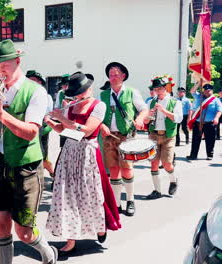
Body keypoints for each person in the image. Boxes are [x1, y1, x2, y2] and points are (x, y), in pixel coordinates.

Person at [0, 39, 57, 264]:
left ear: (17, 61)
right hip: (0, 162)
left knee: (23, 231)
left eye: (4, 64)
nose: (0, 69)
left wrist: (1, 113)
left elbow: (31, 132)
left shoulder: (36, 91)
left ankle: (48, 253)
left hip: (26, 166)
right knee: (0, 223)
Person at [45, 72, 121, 256]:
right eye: (76, 93)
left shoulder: (99, 106)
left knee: (90, 194)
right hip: (70, 152)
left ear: (89, 89)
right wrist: (49, 121)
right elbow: (62, 129)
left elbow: (87, 131)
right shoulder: (71, 105)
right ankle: (70, 239)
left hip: (87, 153)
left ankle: (100, 227)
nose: (78, 96)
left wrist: (62, 118)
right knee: (67, 194)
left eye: (81, 92)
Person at [99, 62, 148, 216]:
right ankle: (117, 203)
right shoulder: (103, 94)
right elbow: (97, 114)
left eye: (116, 74)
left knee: (126, 169)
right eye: (110, 74)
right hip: (109, 137)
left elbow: (144, 109)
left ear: (123, 76)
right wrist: (101, 125)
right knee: (113, 169)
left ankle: (130, 200)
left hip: (126, 136)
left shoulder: (132, 92)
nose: (113, 77)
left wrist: (140, 119)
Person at [144, 76, 182, 199]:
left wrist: (164, 111)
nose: (157, 91)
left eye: (159, 88)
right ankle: (157, 191)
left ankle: (173, 180)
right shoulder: (150, 102)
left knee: (167, 163)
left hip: (168, 136)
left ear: (165, 88)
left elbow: (178, 118)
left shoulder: (175, 102)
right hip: (153, 135)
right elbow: (145, 121)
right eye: (155, 89)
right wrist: (148, 115)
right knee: (154, 163)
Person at [26, 70, 55, 178]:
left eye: (34, 81)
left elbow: (48, 114)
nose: (31, 83)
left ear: (40, 83)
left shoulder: (46, 96)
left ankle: (53, 174)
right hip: (27, 128)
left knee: (42, 156)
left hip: (41, 129)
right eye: (28, 81)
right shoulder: (24, 95)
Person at [187, 83, 222, 160]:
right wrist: (198, 83)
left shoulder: (216, 100)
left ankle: (209, 154)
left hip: (209, 123)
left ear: (212, 91)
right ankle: (193, 155)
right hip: (198, 123)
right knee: (195, 139)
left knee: (210, 140)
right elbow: (192, 91)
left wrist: (216, 118)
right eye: (205, 90)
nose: (207, 92)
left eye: (209, 91)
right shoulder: (199, 97)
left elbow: (219, 111)